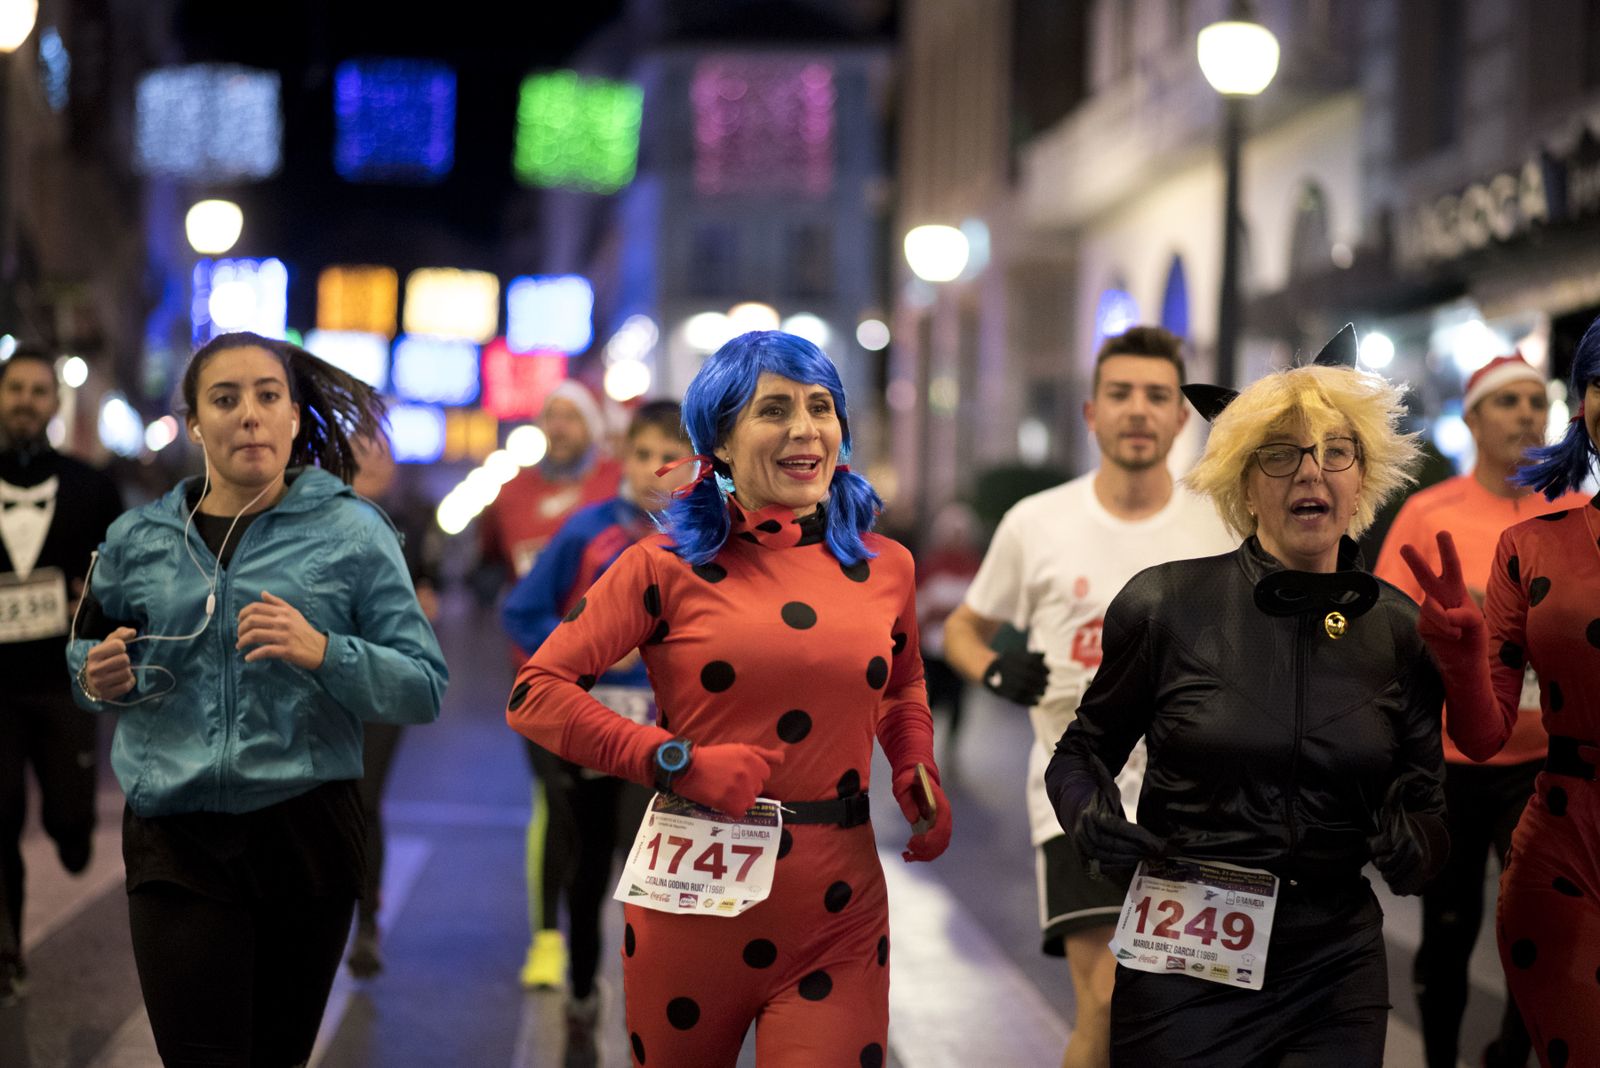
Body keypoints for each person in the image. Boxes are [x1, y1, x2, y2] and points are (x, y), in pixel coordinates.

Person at [507, 330, 952, 1067]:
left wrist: (915, 763)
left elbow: (903, 681)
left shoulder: (887, 567)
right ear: (719, 439)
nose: (806, 429)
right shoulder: (661, 564)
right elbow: (537, 693)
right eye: (774, 410)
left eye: (821, 407)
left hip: (838, 909)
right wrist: (672, 759)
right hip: (690, 904)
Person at [1048, 327, 1448, 1066]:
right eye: (1280, 453)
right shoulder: (1165, 603)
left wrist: (1416, 843)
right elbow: (1081, 753)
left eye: (1336, 451)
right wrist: (1090, 815)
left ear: (1364, 476)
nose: (1311, 474)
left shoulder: (1399, 629)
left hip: (1334, 960)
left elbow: (1426, 797)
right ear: (1244, 480)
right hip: (1184, 948)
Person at [66, 332, 448, 1067]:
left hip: (306, 835)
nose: (249, 415)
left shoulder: (354, 531)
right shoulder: (135, 538)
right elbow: (85, 656)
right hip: (175, 835)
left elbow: (423, 685)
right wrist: (94, 674)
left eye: (268, 396)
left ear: (295, 417)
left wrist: (324, 650)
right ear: (196, 423)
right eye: (226, 399)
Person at [942, 325, 1234, 1068]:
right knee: (1107, 1000)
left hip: (1206, 800)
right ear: (1090, 413)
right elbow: (965, 628)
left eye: (1157, 396)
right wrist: (996, 671)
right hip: (1080, 798)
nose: (1138, 410)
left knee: (1184, 1008)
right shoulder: (1037, 523)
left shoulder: (1225, 522)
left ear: (1180, 417)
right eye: (1121, 394)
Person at [1373, 353, 1584, 1068]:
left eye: (1536, 401)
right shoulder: (1428, 515)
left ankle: (1509, 1052)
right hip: (1451, 761)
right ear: (1471, 419)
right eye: (1507, 402)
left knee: (1544, 929)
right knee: (1449, 929)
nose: (1526, 413)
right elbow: (1387, 633)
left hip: (1543, 762)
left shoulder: (1570, 512)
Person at [500, 399, 694, 1065]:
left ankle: (663, 1005)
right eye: (642, 455)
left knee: (651, 872)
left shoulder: (713, 540)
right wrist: (575, 665)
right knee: (586, 868)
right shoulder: (588, 531)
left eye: (670, 458)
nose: (654, 471)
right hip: (590, 732)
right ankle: (584, 986)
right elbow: (523, 611)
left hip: (669, 743)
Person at [478, 379, 623, 988]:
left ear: (594, 427)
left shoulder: (619, 485)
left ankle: (625, 938)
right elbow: (491, 565)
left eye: (571, 415)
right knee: (555, 805)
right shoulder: (511, 494)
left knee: (620, 814)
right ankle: (547, 939)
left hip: (621, 677)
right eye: (551, 415)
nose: (559, 425)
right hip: (540, 675)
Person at [0, 344, 123, 1004]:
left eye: (36, 391)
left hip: (63, 679)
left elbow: (120, 574)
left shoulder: (90, 487)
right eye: (14, 388)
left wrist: (93, 598)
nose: (24, 400)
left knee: (70, 818)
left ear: (54, 403)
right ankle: (4, 951)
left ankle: (72, 835)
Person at [345, 431, 444, 979]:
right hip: (318, 676)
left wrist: (420, 599)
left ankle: (364, 925)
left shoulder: (410, 518)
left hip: (381, 678)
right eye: (361, 450)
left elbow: (430, 589)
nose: (372, 459)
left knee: (363, 798)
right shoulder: (312, 516)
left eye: (383, 449)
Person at [914, 502, 984, 775]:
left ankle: (951, 749)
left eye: (960, 532)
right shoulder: (930, 565)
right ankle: (922, 750)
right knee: (927, 702)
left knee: (958, 703)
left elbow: (980, 606)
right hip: (932, 647)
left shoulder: (975, 567)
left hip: (962, 649)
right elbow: (920, 605)